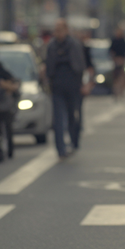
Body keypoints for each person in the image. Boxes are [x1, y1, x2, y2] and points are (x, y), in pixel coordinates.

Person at [44, 19, 90, 158]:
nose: (57, 33)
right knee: (58, 119)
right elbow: (49, 67)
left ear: (66, 30)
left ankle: (74, 141)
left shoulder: (74, 44)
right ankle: (61, 149)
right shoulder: (52, 46)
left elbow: (80, 66)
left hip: (73, 86)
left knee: (73, 116)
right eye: (56, 30)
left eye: (60, 29)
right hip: (57, 86)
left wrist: (83, 84)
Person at [109, 26, 125, 100]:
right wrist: (114, 58)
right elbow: (111, 50)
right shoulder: (114, 40)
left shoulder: (123, 40)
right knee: (116, 77)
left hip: (121, 60)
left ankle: (121, 91)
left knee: (122, 77)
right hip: (116, 60)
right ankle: (116, 91)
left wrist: (123, 59)